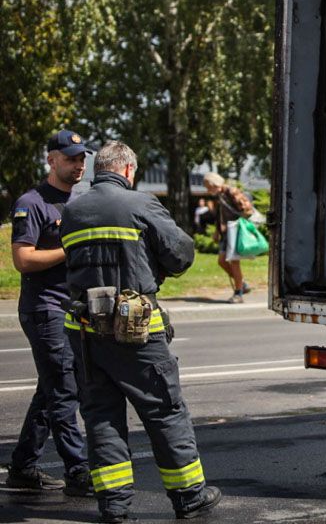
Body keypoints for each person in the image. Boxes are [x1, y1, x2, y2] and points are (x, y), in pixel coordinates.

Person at [61, 141, 222, 522]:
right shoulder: (140, 204)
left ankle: (114, 507)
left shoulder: (72, 210)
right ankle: (189, 497)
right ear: (129, 170)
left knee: (101, 417)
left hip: (85, 332)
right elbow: (180, 253)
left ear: (100, 169)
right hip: (136, 331)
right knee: (164, 412)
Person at [5, 130, 93, 496]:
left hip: (71, 307)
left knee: (50, 389)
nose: (78, 165)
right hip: (45, 309)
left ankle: (23, 465)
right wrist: (69, 249)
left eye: (81, 158)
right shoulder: (33, 202)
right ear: (51, 160)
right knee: (64, 391)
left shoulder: (79, 202)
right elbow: (22, 260)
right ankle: (78, 471)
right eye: (71, 158)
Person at [201, 173, 256, 304]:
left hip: (235, 231)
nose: (208, 190)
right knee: (221, 261)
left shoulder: (231, 191)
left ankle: (238, 294)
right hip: (226, 233)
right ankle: (242, 283)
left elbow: (248, 209)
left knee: (234, 262)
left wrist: (239, 222)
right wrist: (216, 231)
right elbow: (220, 215)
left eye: (209, 187)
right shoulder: (220, 195)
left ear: (215, 184)